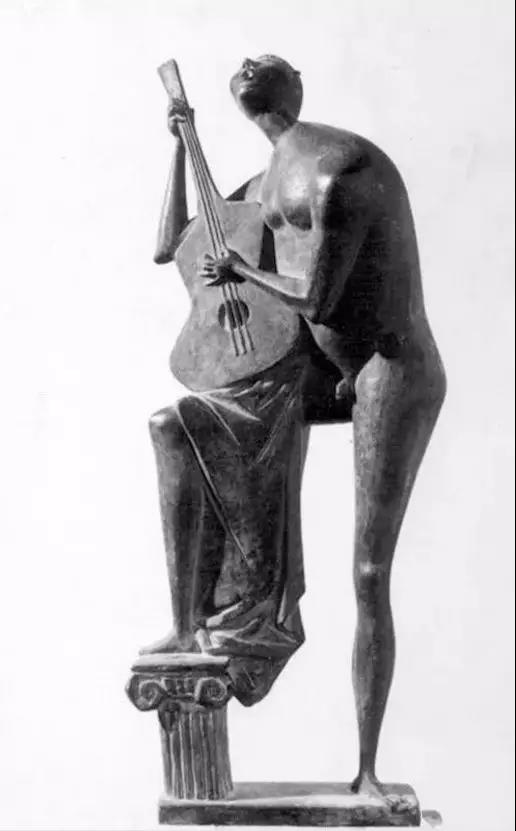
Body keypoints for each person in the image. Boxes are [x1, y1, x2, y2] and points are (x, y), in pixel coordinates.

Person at [144, 55, 446, 800]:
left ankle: (367, 773)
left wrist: (242, 272)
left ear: (295, 84)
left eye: (266, 64)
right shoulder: (268, 179)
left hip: (384, 366)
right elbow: (171, 243)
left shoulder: (337, 169)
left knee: (369, 574)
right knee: (181, 425)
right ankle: (211, 617)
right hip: (311, 368)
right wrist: (180, 147)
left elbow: (317, 300)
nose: (250, 65)